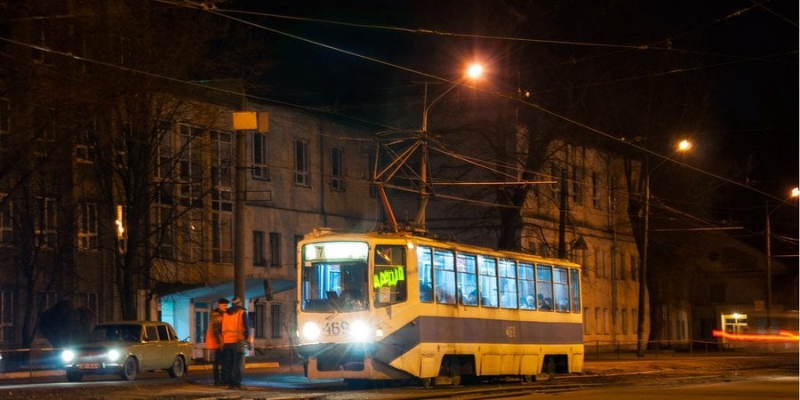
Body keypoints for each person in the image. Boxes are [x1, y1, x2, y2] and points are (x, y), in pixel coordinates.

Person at [221, 297, 251, 389]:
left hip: (227, 342)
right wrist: (246, 339)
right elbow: (246, 328)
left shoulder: (225, 313)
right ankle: (237, 383)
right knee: (238, 364)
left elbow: (222, 328)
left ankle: (230, 384)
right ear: (240, 303)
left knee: (229, 364)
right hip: (238, 342)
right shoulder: (241, 312)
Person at [205, 297, 229, 386]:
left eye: (226, 305)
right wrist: (219, 342)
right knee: (217, 362)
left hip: (222, 341)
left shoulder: (224, 314)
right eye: (224, 305)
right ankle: (217, 380)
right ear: (219, 305)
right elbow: (215, 330)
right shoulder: (216, 314)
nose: (226, 307)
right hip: (217, 342)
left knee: (223, 362)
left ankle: (222, 379)